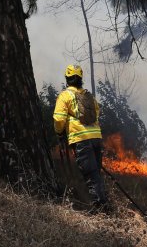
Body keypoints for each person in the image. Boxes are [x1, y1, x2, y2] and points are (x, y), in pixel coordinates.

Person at [53, 64, 109, 209]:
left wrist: (59, 133)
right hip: (96, 138)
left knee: (91, 175)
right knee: (96, 173)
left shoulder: (65, 95)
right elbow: (97, 113)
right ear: (80, 79)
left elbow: (59, 119)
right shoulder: (88, 96)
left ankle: (101, 209)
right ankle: (104, 204)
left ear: (67, 79)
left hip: (81, 140)